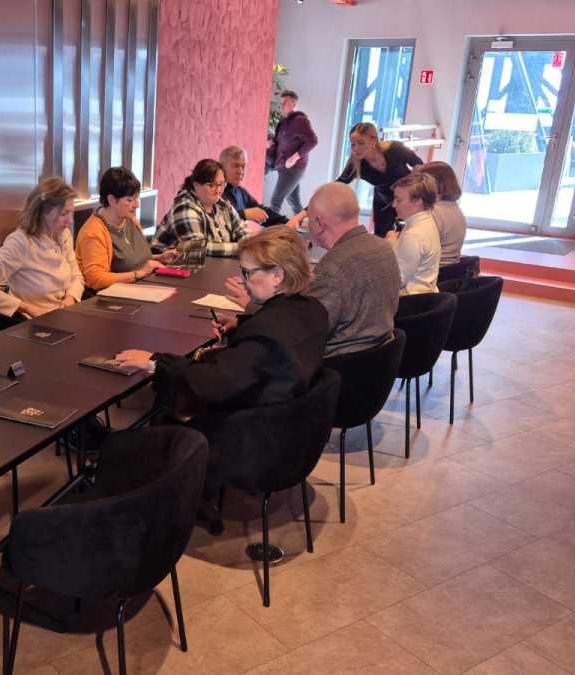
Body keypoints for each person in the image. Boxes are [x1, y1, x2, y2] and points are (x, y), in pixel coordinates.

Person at [115, 228, 327, 534]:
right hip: (292, 431)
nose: (242, 279)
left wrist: (153, 362)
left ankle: (164, 501)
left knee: (169, 399)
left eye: (248, 272)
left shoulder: (266, 336)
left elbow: (213, 382)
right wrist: (242, 324)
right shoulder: (314, 311)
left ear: (277, 276)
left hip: (252, 440)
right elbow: (276, 334)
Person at [306, 182, 400, 357]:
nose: (307, 224)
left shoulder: (332, 267)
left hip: (337, 364)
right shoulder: (384, 248)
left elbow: (306, 332)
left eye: (308, 218)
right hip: (380, 357)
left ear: (319, 223)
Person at [0, 177, 85, 317]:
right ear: (42, 212)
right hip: (32, 321)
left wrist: (70, 298)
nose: (70, 221)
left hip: (60, 315)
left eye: (71, 212)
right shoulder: (20, 242)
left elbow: (76, 276)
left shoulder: (63, 234)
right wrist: (28, 308)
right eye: (63, 214)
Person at [76, 166, 175, 291]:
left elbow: (130, 260)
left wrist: (159, 257)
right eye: (130, 200)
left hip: (143, 287)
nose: (136, 205)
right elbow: (95, 279)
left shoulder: (129, 219)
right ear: (111, 200)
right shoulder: (93, 232)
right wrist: (140, 273)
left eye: (136, 198)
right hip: (117, 295)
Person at [336, 122, 424, 237]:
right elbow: (337, 185)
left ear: (373, 140)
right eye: (353, 145)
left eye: (361, 143)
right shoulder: (356, 165)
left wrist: (409, 189)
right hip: (384, 204)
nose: (356, 148)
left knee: (409, 235)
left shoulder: (395, 148)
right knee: (383, 239)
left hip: (407, 199)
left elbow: (418, 164)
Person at [155, 159, 250, 256]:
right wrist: (239, 247)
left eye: (222, 184)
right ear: (196, 184)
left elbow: (242, 231)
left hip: (212, 263)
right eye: (212, 185)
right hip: (165, 263)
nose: (218, 190)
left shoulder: (223, 205)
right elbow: (198, 248)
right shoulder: (184, 208)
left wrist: (249, 242)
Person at [388, 173, 442, 295]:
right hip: (425, 295)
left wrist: (391, 245)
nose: (393, 205)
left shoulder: (414, 235)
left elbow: (397, 281)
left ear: (418, 201)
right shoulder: (427, 221)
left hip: (410, 300)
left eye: (399, 200)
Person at [267, 90, 319, 216]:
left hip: (294, 168)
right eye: (281, 102)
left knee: (275, 201)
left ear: (294, 104)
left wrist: (295, 157)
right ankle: (303, 224)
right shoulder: (283, 123)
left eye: (285, 102)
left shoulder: (300, 121)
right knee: (294, 202)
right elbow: (279, 141)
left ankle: (270, 229)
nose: (281, 105)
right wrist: (271, 142)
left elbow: (313, 141)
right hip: (283, 167)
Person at [219, 145, 289, 227]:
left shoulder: (241, 192)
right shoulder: (215, 192)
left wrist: (288, 222)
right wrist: (243, 214)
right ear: (222, 167)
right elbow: (217, 218)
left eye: (243, 166)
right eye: (235, 166)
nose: (240, 171)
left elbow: (261, 211)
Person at [416, 161, 468, 266]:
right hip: (448, 270)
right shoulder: (455, 209)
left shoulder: (431, 213)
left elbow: (415, 252)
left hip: (432, 271)